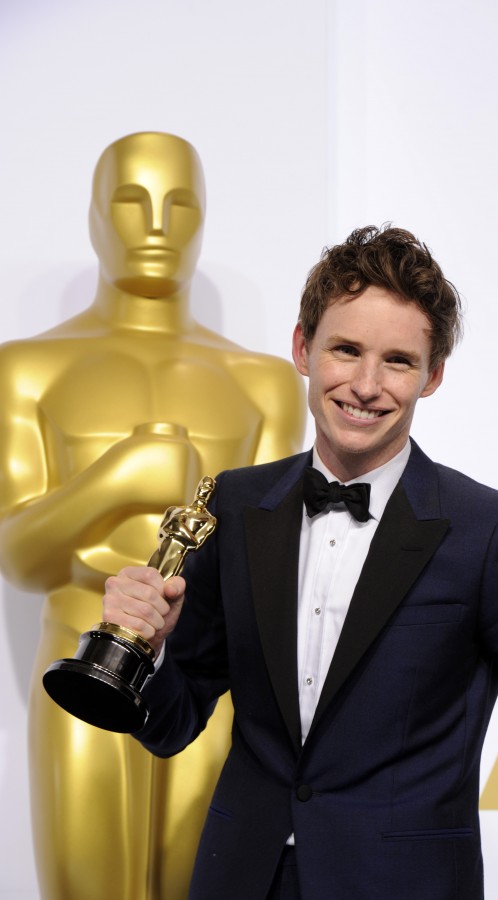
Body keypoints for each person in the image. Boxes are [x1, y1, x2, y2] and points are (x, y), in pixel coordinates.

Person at [102, 225, 498, 900]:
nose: (366, 385)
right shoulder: (237, 504)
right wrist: (151, 652)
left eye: (399, 361)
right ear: (302, 349)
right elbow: (172, 725)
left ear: (432, 376)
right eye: (346, 349)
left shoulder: (488, 532)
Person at [0, 132, 306, 900]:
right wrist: (116, 479)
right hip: (78, 662)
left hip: (208, 679)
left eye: (180, 204)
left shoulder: (262, 383)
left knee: (205, 889)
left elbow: (264, 570)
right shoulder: (27, 369)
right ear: (97, 216)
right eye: (132, 203)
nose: (157, 226)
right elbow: (22, 560)